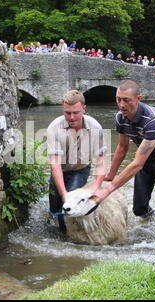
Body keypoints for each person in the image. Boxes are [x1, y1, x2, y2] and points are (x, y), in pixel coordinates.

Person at [94, 80, 155, 235]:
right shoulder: (120, 118)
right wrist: (111, 174)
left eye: (126, 100)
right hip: (147, 163)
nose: (121, 105)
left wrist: (108, 190)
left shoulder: (154, 119)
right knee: (139, 210)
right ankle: (152, 220)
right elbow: (122, 147)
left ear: (138, 99)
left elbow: (137, 164)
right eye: (118, 99)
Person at [47, 90, 107, 234]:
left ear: (84, 109)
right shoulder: (54, 128)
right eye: (67, 113)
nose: (72, 117)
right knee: (54, 210)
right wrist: (62, 193)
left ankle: (68, 238)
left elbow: (101, 160)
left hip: (81, 169)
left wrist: (96, 187)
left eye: (76, 112)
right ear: (63, 109)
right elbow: (54, 165)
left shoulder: (95, 127)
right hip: (60, 170)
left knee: (67, 206)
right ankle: (56, 232)